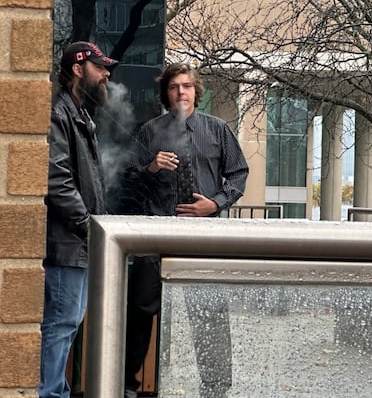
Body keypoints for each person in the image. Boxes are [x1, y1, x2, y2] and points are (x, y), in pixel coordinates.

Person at [122, 62, 249, 398]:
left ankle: (216, 388)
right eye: (175, 86)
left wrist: (216, 203)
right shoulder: (150, 131)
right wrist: (150, 167)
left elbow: (238, 175)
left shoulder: (219, 129)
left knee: (211, 311)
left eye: (187, 86)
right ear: (166, 92)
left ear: (197, 92)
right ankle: (126, 386)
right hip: (156, 234)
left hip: (202, 237)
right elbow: (128, 179)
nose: (181, 92)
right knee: (139, 309)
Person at [38, 41, 119, 398]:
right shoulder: (61, 113)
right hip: (68, 245)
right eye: (100, 67)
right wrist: (88, 226)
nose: (106, 74)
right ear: (77, 69)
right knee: (60, 325)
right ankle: (50, 393)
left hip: (79, 245)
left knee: (67, 326)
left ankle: (55, 390)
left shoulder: (79, 114)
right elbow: (57, 180)